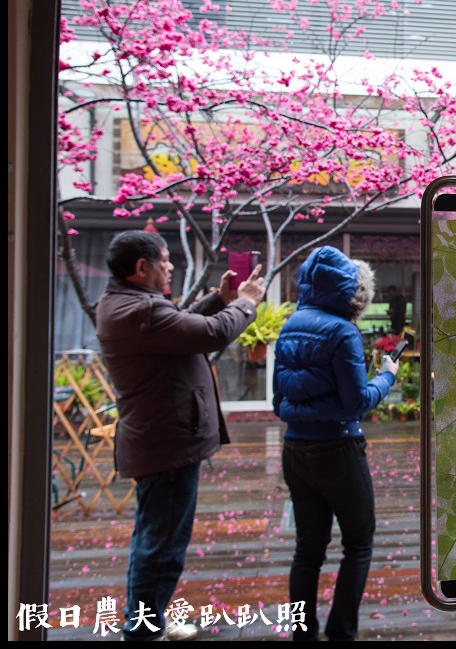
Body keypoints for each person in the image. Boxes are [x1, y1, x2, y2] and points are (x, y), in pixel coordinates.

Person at [95, 229, 266, 642]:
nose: (171, 266)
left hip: (162, 438)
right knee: (162, 544)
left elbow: (183, 326)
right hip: (166, 442)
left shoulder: (132, 305)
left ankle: (146, 618)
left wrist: (219, 300)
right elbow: (210, 334)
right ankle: (143, 630)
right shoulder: (140, 311)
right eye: (166, 259)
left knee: (154, 536)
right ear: (141, 268)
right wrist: (245, 303)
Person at [272, 246, 400, 641]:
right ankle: (341, 632)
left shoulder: (290, 326)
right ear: (350, 288)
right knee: (358, 543)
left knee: (306, 551)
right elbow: (356, 403)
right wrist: (388, 376)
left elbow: (280, 402)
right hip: (338, 451)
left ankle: (302, 635)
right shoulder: (343, 331)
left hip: (294, 451)